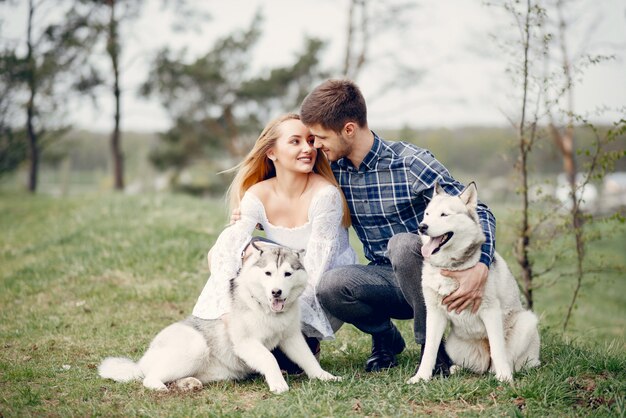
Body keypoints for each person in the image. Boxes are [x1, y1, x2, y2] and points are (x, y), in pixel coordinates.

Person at [298, 79, 497, 373]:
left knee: (403, 245)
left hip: (435, 278)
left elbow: (477, 210)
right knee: (331, 286)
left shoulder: (410, 162)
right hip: (384, 281)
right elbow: (287, 177)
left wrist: (481, 264)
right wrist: (251, 208)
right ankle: (385, 339)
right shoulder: (333, 169)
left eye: (320, 136)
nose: (315, 145)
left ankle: (433, 349)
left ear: (349, 129)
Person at [192, 113, 357, 369]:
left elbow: (314, 269)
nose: (307, 148)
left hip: (317, 290)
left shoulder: (325, 195)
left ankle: (305, 341)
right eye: (295, 141)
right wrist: (227, 310)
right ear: (271, 153)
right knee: (234, 247)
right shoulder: (258, 194)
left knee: (282, 360)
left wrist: (274, 316)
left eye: (311, 140)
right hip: (276, 291)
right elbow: (226, 250)